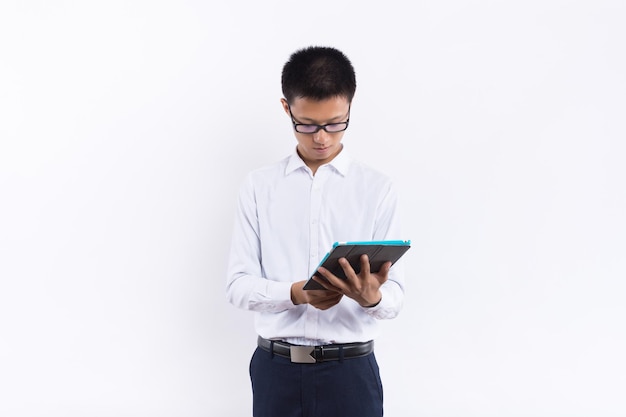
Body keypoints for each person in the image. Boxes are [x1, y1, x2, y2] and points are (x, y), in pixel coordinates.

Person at [226, 46, 406, 417]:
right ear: (286, 108)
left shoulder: (377, 188)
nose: (322, 137)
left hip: (351, 374)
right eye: (307, 124)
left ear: (350, 108)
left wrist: (371, 297)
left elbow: (396, 296)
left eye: (335, 123)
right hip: (276, 371)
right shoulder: (259, 187)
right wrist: (295, 294)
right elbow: (237, 286)